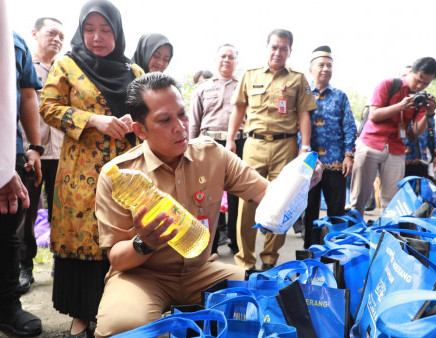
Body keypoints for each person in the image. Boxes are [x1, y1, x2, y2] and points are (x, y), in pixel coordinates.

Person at [93, 73, 322, 336]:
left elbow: (270, 197)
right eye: (165, 120)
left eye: (182, 114)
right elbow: (118, 260)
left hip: (203, 270)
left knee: (281, 303)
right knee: (121, 328)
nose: (180, 127)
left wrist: (303, 179)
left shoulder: (213, 155)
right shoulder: (119, 176)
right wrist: (144, 242)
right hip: (143, 276)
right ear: (140, 130)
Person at [39, 0, 143, 336]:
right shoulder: (66, 65)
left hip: (125, 174)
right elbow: (48, 108)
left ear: (117, 32)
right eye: (89, 29)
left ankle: (119, 313)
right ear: (81, 31)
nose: (97, 37)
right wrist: (92, 119)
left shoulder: (135, 72)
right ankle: (81, 317)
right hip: (80, 174)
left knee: (120, 240)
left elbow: (147, 114)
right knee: (85, 241)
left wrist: (133, 123)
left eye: (105, 30)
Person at [225, 29, 317, 270]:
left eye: (283, 48)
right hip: (253, 144)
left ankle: (269, 259)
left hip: (286, 146)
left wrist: (304, 147)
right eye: (274, 47)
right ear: (267, 48)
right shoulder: (249, 74)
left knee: (282, 201)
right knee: (247, 203)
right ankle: (245, 261)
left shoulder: (297, 79)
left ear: (290, 51)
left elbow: (304, 114)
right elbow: (239, 109)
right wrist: (230, 140)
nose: (278, 52)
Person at [350, 57, 436, 217]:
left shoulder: (420, 100)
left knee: (391, 201)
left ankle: (386, 236)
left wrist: (429, 113)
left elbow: (414, 134)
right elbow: (374, 115)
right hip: (371, 144)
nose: (420, 86)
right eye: (418, 80)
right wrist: (400, 106)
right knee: (359, 197)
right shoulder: (388, 84)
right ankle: (353, 234)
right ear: (411, 71)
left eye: (426, 83)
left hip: (396, 149)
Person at [17, 16, 65, 295]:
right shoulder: (25, 67)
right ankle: (25, 266)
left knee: (61, 211)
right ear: (35, 33)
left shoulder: (65, 70)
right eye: (51, 33)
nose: (57, 39)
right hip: (30, 152)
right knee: (28, 211)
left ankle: (62, 263)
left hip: (60, 152)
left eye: (61, 35)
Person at [0, 30, 43, 336]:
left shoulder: (14, 40)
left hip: (10, 148)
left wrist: (34, 147)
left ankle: (6, 306)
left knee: (7, 231)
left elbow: (27, 94)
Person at [189, 44, 244, 255]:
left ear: (236, 61)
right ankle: (210, 245)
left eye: (231, 57)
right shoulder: (202, 88)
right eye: (223, 56)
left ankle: (236, 243)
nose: (226, 60)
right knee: (208, 195)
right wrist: (190, 149)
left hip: (238, 143)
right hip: (208, 144)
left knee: (237, 195)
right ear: (216, 59)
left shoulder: (243, 87)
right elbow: (194, 121)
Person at [302, 45, 356, 249]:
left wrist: (349, 155)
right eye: (321, 65)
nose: (325, 69)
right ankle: (309, 253)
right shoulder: (303, 94)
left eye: (329, 65)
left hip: (336, 164)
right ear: (311, 69)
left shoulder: (340, 96)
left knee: (336, 214)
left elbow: (349, 127)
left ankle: (336, 255)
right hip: (310, 165)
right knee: (310, 214)